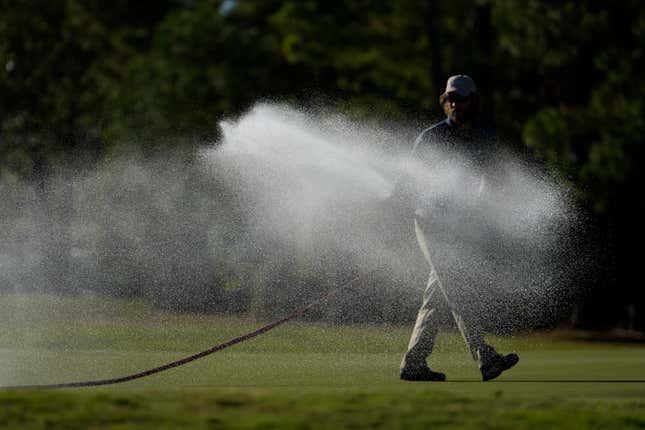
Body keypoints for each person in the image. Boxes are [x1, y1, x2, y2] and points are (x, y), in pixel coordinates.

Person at [399, 75, 519, 382]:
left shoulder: (483, 138)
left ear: (473, 101)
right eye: (450, 98)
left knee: (435, 298)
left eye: (461, 98)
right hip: (429, 222)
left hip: (457, 227)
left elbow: (494, 180)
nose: (454, 103)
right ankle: (485, 356)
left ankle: (413, 363)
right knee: (456, 288)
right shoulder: (432, 137)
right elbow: (408, 180)